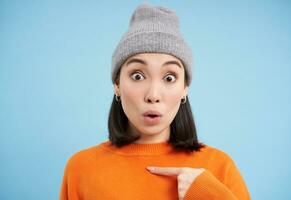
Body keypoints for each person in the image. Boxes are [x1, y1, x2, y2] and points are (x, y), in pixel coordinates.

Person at [59, 3, 251, 200]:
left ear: (185, 88)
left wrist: (208, 194)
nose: (153, 95)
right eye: (137, 76)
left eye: (169, 78)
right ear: (117, 83)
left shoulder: (220, 168)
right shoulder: (81, 169)